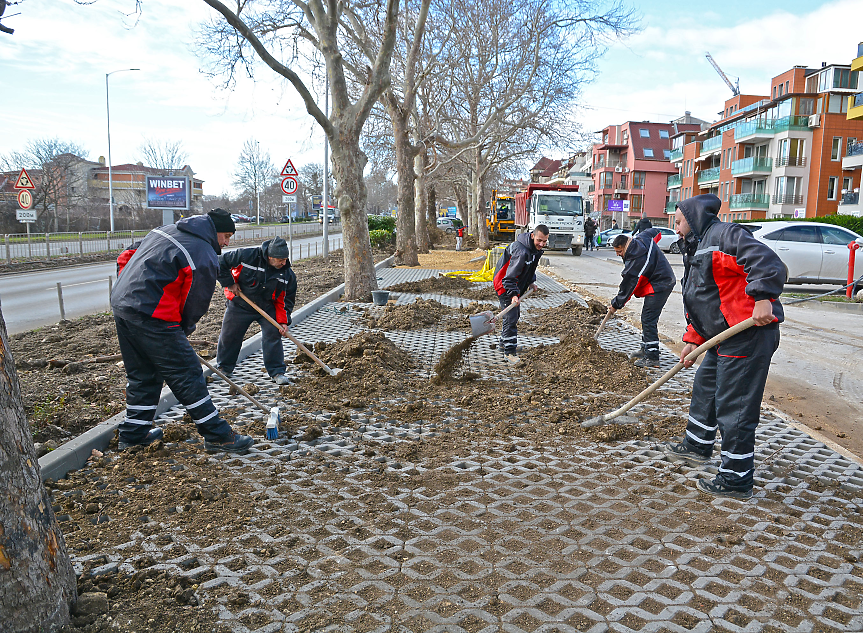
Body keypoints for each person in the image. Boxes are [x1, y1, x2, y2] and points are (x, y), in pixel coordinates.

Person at [662, 193, 784, 500]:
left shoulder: (725, 236)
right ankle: (696, 446)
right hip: (723, 335)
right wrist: (692, 338)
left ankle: (736, 478)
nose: (675, 230)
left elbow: (768, 263)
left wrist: (762, 297)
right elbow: (705, 301)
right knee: (705, 387)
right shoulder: (697, 247)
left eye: (678, 223)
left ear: (692, 219)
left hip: (749, 334)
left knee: (735, 405)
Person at [111, 209, 254, 454]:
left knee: (143, 373)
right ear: (214, 231)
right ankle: (217, 435)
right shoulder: (202, 253)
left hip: (123, 306)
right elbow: (194, 301)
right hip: (154, 316)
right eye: (226, 235)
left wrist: (128, 290)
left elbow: (126, 256)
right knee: (187, 374)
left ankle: (133, 435)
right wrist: (182, 331)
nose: (227, 242)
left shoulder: (164, 231)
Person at [216, 236, 297, 384]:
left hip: (267, 308)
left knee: (273, 335)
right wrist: (230, 283)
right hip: (240, 304)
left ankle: (277, 372)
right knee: (230, 335)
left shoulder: (286, 275)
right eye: (281, 260)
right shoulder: (247, 256)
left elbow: (286, 301)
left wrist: (284, 322)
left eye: (285, 259)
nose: (284, 263)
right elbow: (220, 263)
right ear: (270, 257)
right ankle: (224, 368)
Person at [608, 230, 676, 368]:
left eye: (619, 251)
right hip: (661, 281)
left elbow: (628, 286)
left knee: (648, 319)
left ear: (625, 245)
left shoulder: (635, 259)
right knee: (646, 317)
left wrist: (616, 304)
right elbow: (655, 232)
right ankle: (645, 349)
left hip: (660, 285)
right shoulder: (642, 237)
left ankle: (652, 357)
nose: (618, 254)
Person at [492, 225, 549, 364]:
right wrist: (513, 294)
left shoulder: (534, 250)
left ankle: (504, 343)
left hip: (514, 284)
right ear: (532, 236)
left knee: (512, 315)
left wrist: (531, 282)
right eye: (539, 240)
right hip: (504, 284)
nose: (541, 244)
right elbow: (509, 277)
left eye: (544, 241)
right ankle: (509, 352)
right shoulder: (521, 251)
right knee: (511, 317)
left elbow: (529, 268)